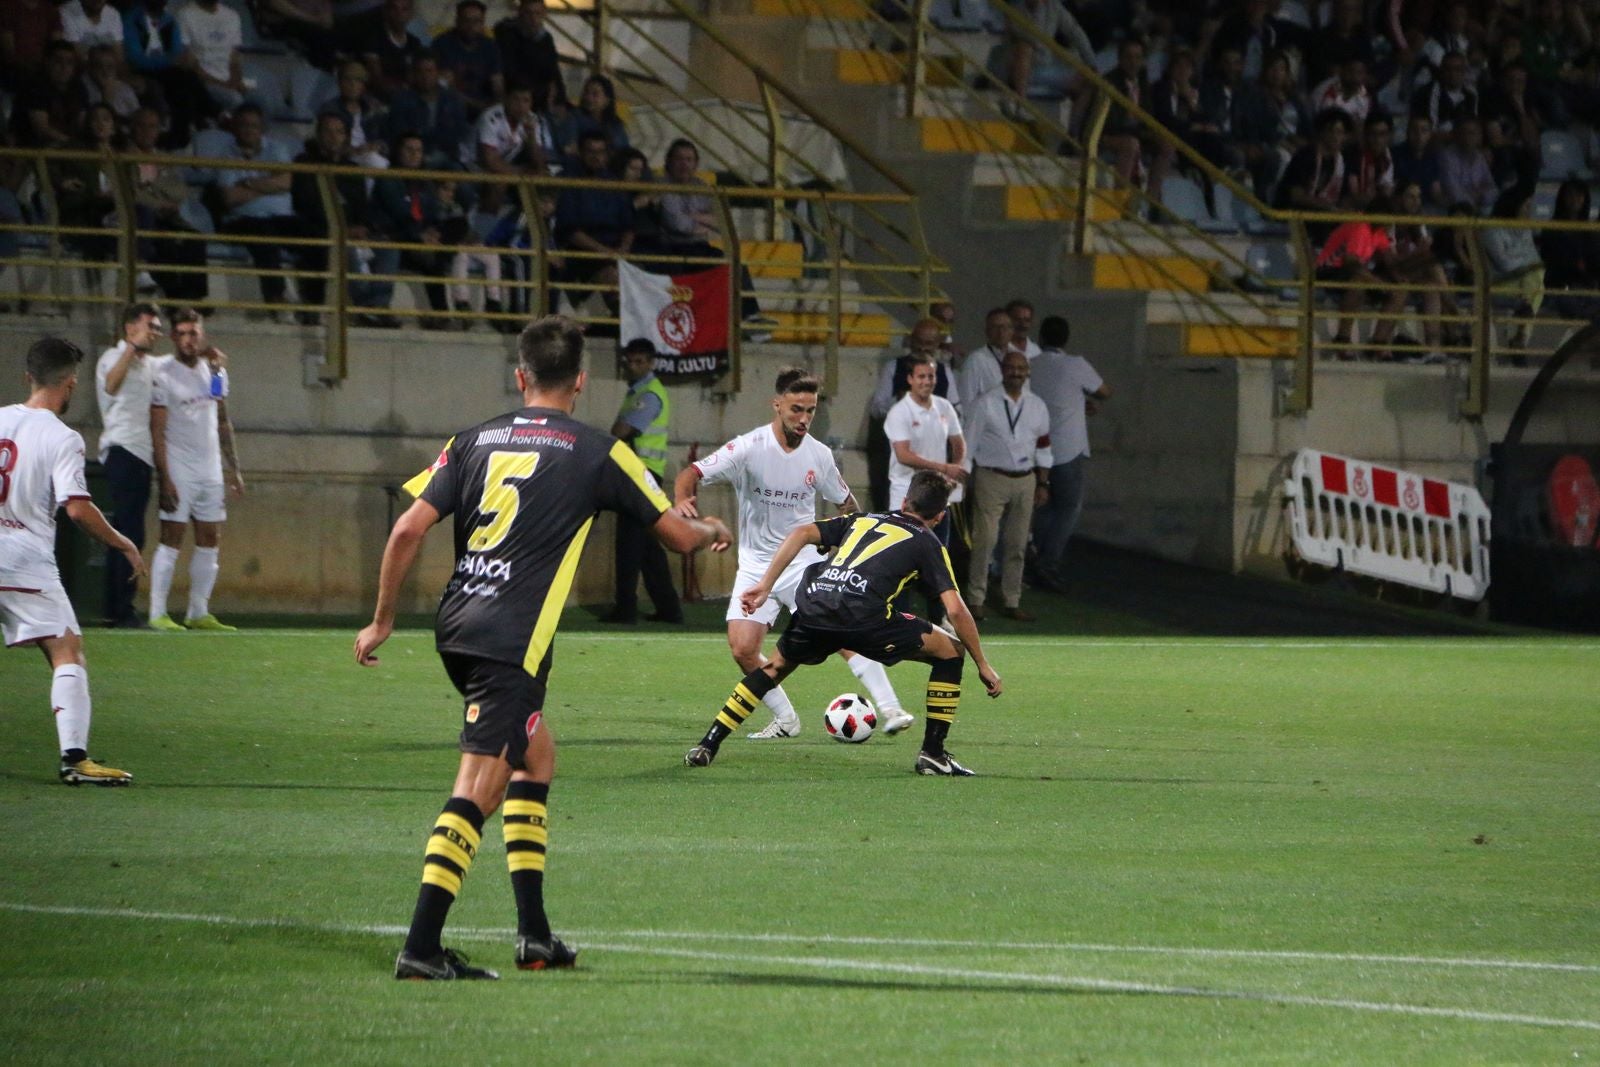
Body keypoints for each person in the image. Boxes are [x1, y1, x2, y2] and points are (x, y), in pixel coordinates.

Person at [354, 315, 730, 980]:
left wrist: (382, 619)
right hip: (510, 640)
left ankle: (534, 935)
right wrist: (710, 530)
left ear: (521, 375)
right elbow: (674, 534)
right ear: (581, 381)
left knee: (537, 753)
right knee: (476, 786)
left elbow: (408, 528)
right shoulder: (597, 450)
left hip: (460, 623)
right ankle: (420, 945)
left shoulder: (471, 439)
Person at [684, 470, 1002, 776]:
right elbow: (956, 612)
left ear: (905, 502)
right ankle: (933, 754)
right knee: (951, 652)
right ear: (940, 515)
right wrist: (982, 664)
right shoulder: (928, 542)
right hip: (864, 620)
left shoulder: (864, 519)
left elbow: (801, 532)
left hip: (815, 605)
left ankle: (707, 744)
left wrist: (766, 585)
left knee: (773, 669)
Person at [672, 368, 912, 739]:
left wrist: (848, 544)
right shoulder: (748, 448)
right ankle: (786, 719)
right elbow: (691, 473)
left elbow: (848, 505)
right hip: (755, 565)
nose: (803, 419)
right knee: (743, 648)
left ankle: (891, 708)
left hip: (802, 564)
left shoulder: (819, 455)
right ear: (777, 404)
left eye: (810, 411)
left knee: (840, 633)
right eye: (796, 409)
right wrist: (682, 498)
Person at [2, 338, 146, 785]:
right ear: (69, 384)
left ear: (29, 377)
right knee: (66, 650)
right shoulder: (63, 437)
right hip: (23, 558)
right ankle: (75, 760)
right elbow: (78, 508)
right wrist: (123, 543)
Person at [146, 309, 244, 630]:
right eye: (184, 333)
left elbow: (221, 419)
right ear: (174, 337)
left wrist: (235, 469)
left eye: (195, 333)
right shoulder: (163, 373)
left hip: (211, 469)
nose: (190, 339)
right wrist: (165, 477)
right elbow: (157, 430)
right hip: (179, 468)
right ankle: (158, 613)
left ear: (202, 335)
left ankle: (198, 612)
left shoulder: (214, 373)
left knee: (210, 538)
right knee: (171, 537)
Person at [963, 351, 1051, 622]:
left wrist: (1043, 482)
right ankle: (976, 598)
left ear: (1028, 372)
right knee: (985, 540)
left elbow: (1044, 447)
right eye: (1011, 368)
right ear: (1002, 371)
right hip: (992, 477)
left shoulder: (1037, 405)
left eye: (1020, 368)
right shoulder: (985, 403)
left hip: (1025, 479)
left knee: (1017, 544)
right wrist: (962, 481)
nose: (1016, 372)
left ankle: (1012, 600)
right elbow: (969, 444)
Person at [603, 338, 684, 624]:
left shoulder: (647, 395)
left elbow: (621, 430)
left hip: (642, 473)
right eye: (630, 361)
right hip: (643, 473)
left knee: (629, 542)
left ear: (650, 363)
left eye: (639, 362)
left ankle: (626, 608)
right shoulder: (640, 392)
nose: (633, 367)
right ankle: (669, 609)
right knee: (648, 546)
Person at [97, 302, 166, 629]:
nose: (155, 333)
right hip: (121, 450)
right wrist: (131, 350)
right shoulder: (112, 358)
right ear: (130, 327)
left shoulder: (150, 365)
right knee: (125, 532)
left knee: (133, 533)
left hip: (142, 455)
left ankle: (122, 606)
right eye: (149, 326)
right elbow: (110, 385)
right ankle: (118, 608)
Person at [1028, 315, 1109, 590]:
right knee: (1068, 509)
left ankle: (1036, 558)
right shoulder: (1075, 365)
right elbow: (1104, 391)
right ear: (1066, 339)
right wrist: (1082, 398)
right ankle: (1048, 565)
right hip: (1068, 450)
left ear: (1041, 338)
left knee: (1044, 508)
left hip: (1037, 449)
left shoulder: (1032, 364)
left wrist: (1076, 399)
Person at [211, 103, 299, 314]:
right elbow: (230, 198)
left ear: (262, 129)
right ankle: (276, 298)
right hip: (243, 220)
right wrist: (269, 184)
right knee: (264, 236)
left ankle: (318, 303)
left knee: (316, 234)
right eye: (243, 125)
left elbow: (286, 182)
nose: (249, 130)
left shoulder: (277, 150)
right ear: (235, 128)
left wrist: (248, 184)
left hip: (281, 218)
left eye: (254, 126)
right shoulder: (226, 156)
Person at [885, 354, 966, 549]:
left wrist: (955, 470)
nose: (927, 381)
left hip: (937, 496)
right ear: (910, 379)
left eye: (931, 376)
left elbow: (958, 442)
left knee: (937, 555)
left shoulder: (944, 406)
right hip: (906, 496)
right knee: (903, 555)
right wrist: (944, 468)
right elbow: (903, 455)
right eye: (921, 377)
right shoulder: (899, 412)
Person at [385, 52, 470, 170]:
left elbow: (459, 132)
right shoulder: (401, 100)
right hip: (412, 158)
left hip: (448, 156)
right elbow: (400, 133)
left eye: (429, 71)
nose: (425, 76)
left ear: (438, 73)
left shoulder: (453, 99)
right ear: (414, 74)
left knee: (462, 178)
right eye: (420, 71)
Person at [431, 0, 503, 117]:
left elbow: (498, 84)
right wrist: (478, 106)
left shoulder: (490, 46)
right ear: (457, 21)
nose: (471, 26)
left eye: (477, 21)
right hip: (452, 108)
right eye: (466, 21)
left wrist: (497, 105)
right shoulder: (442, 44)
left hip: (485, 108)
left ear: (483, 23)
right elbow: (446, 87)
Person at [175, 0, 248, 112]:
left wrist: (236, 81)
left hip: (228, 82)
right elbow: (188, 61)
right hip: (202, 82)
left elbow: (235, 58)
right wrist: (223, 85)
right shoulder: (185, 15)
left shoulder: (232, 16)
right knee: (234, 100)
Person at [494, 0, 567, 111]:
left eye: (537, 13)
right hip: (518, 99)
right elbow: (511, 73)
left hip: (542, 99)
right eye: (528, 13)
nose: (533, 19)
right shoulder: (506, 35)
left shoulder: (546, 39)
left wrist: (561, 101)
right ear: (520, 13)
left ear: (544, 14)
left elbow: (554, 72)